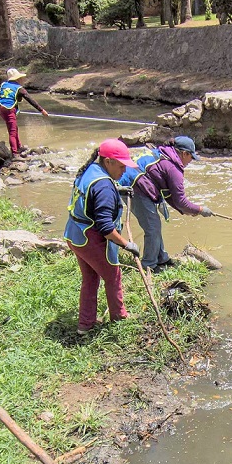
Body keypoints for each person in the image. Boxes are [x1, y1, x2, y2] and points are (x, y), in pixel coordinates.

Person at [63, 140, 139, 334]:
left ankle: (85, 325)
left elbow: (92, 196)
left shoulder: (90, 170)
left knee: (90, 278)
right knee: (113, 276)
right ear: (108, 162)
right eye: (121, 166)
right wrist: (127, 244)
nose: (124, 171)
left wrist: (118, 189)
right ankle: (119, 317)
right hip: (90, 239)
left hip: (74, 234)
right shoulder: (104, 186)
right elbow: (106, 228)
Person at [121, 136, 212, 271]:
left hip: (133, 181)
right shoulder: (172, 168)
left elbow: (171, 196)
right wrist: (199, 209)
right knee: (152, 227)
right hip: (133, 187)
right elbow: (180, 200)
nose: (190, 161)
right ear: (184, 153)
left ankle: (161, 258)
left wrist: (187, 210)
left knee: (155, 224)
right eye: (191, 157)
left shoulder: (164, 154)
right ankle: (149, 265)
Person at [0, 67, 48, 156]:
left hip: (1, 109)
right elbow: (30, 99)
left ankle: (18, 147)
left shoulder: (3, 85)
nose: (22, 80)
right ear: (18, 79)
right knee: (12, 131)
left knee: (14, 128)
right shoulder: (19, 88)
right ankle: (14, 154)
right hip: (9, 109)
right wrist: (42, 110)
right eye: (21, 78)